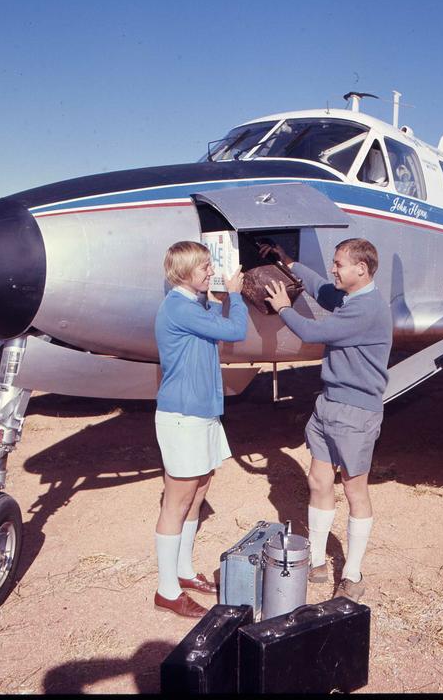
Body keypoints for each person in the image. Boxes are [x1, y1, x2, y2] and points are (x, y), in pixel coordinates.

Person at [263, 238, 392, 602]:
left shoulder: (367, 309)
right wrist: (289, 262)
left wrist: (284, 307)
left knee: (354, 489)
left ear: (361, 270)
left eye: (338, 264)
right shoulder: (352, 298)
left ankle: (352, 573)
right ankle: (317, 561)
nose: (333, 269)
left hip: (356, 411)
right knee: (319, 480)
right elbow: (321, 290)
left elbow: (312, 332)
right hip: (328, 404)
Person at [153, 241, 247, 617]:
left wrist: (211, 296)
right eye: (205, 267)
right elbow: (236, 331)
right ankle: (166, 590)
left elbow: (211, 322)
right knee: (177, 500)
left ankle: (184, 571)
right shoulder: (178, 307)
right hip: (183, 416)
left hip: (203, 414)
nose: (212, 272)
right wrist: (234, 296)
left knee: (199, 490)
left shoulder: (192, 304)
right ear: (184, 272)